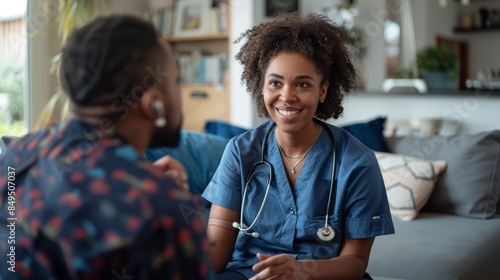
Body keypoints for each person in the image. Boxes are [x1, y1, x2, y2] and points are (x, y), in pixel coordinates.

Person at [0, 15, 210, 279]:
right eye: (176, 81)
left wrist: (143, 181)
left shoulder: (17, 155)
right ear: (153, 102)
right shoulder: (164, 212)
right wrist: (156, 195)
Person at [202, 12, 395, 280]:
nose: (287, 96)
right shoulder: (239, 152)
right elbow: (214, 254)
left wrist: (300, 270)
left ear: (323, 90)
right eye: (275, 83)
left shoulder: (358, 162)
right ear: (262, 87)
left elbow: (355, 262)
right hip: (249, 274)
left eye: (302, 84)